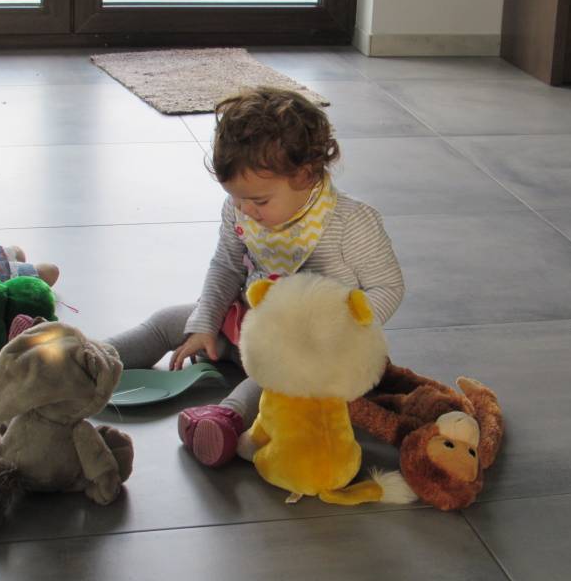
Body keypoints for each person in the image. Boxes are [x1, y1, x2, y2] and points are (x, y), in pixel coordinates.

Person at [105, 87, 404, 467]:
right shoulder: (241, 209)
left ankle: (224, 419)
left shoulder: (351, 223)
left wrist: (340, 328)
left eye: (259, 201)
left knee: (277, 376)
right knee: (169, 320)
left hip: (309, 350)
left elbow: (388, 286)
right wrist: (205, 323)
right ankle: (88, 359)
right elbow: (227, 266)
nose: (246, 209)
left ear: (306, 175)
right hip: (246, 325)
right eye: (236, 198)